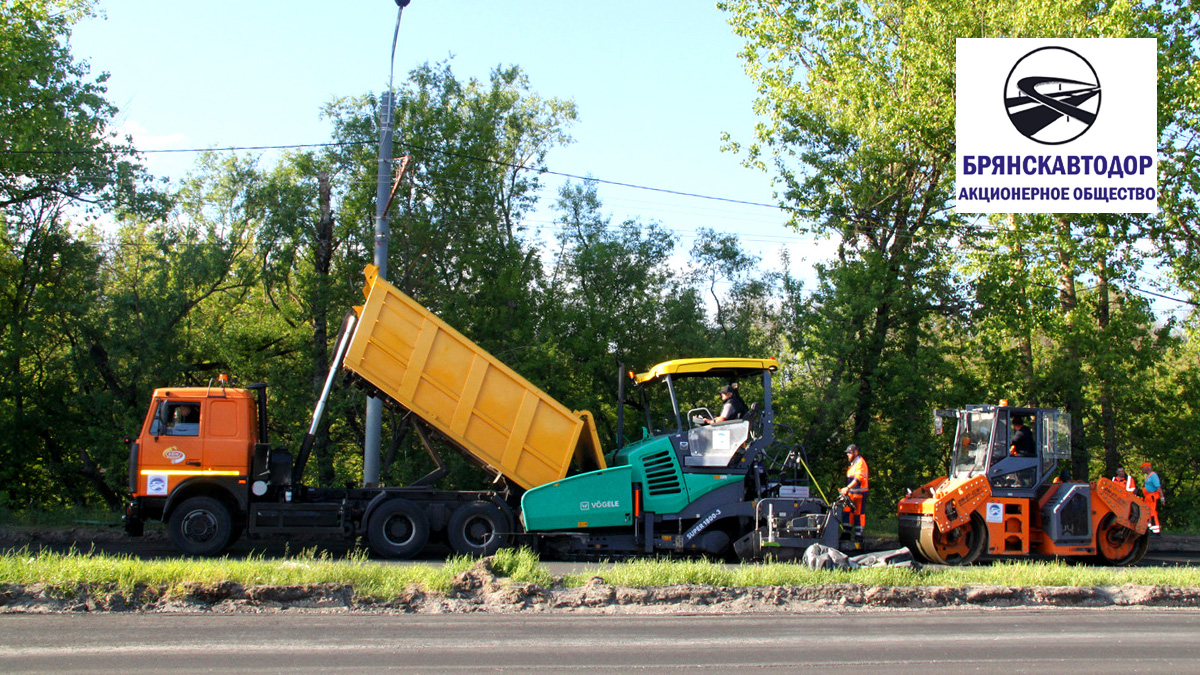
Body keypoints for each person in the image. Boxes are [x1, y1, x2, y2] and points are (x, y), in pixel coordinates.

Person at [839, 444, 869, 552]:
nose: (848, 455)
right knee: (847, 514)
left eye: (849, 453)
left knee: (858, 516)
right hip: (851, 495)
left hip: (859, 495)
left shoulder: (860, 463)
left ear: (856, 452)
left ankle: (858, 539)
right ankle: (846, 535)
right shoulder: (853, 464)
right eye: (847, 453)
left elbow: (858, 479)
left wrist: (847, 488)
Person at [1142, 462, 1163, 534]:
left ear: (1147, 468)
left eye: (1143, 468)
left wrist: (1162, 497)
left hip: (1152, 497)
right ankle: (1150, 529)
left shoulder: (1153, 475)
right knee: (1148, 513)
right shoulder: (1148, 475)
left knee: (1153, 513)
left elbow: (1158, 487)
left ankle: (1156, 531)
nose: (1142, 469)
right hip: (1148, 498)